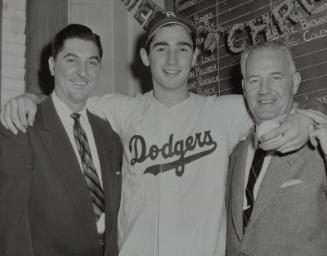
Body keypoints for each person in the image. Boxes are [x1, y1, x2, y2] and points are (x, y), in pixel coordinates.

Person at [0, 13, 324, 256]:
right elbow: (67, 101)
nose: (172, 60)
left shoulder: (225, 111)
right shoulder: (121, 110)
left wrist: (306, 120)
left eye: (183, 49)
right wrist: (30, 99)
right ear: (145, 56)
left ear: (195, 58)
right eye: (161, 49)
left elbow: (275, 102)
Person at [0, 24, 122, 256]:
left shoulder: (109, 135)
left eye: (92, 62)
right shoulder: (21, 127)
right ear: (52, 65)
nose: (83, 72)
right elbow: (10, 226)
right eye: (71, 60)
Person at [226, 42, 327, 256]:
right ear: (244, 88)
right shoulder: (236, 153)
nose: (264, 90)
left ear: (295, 83)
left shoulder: (320, 142)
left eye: (276, 77)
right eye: (254, 80)